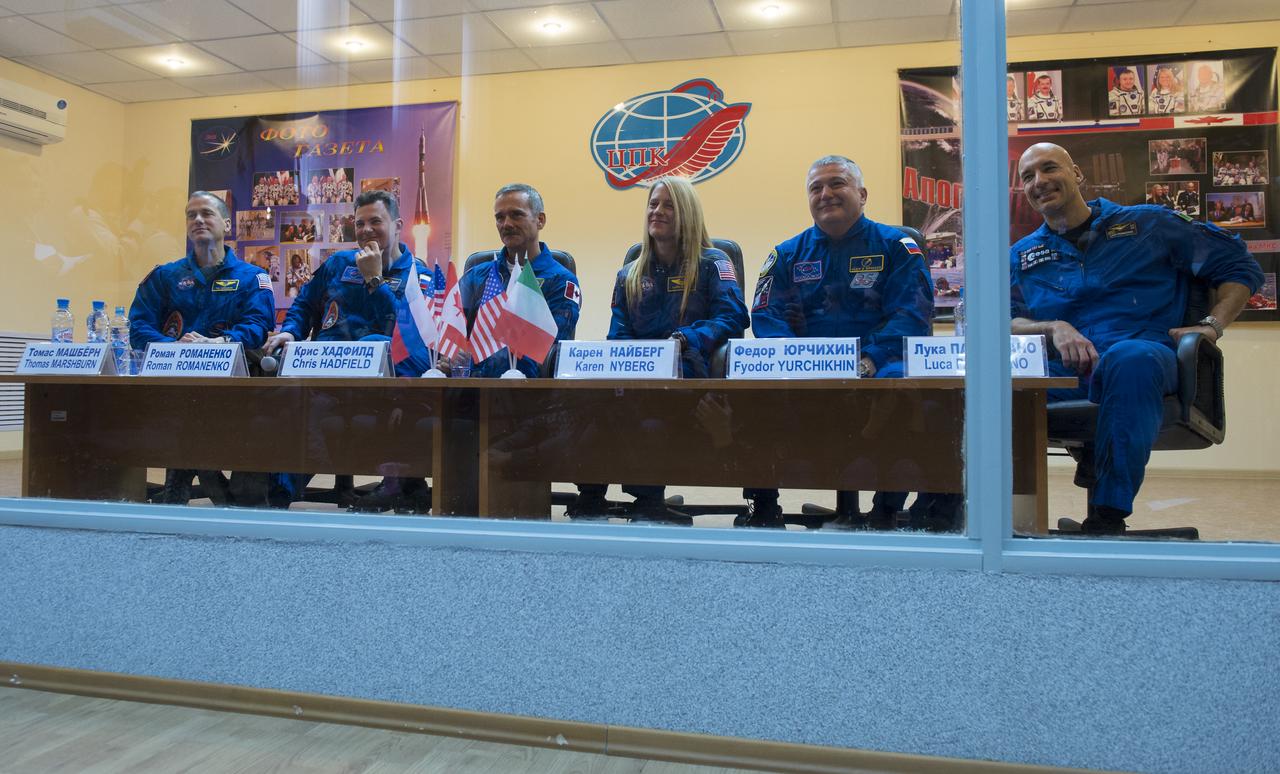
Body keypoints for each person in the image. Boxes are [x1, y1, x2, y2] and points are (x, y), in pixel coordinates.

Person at [1010, 143, 1262, 534]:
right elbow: (997, 320)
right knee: (988, 386)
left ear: (1077, 174)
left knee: (1130, 359)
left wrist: (1211, 325)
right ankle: (993, 522)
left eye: (1049, 169)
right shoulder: (1021, 255)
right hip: (1064, 375)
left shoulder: (1151, 224)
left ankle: (1106, 517)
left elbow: (1239, 266)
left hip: (1144, 360)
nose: (1039, 182)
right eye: (1028, 177)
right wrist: (1053, 327)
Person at [742, 155, 934, 529]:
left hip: (878, 362)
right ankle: (763, 507)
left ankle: (886, 509)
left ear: (862, 194)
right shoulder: (786, 254)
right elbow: (767, 316)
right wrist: (796, 359)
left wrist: (871, 358)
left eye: (837, 184)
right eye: (816, 188)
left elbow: (911, 314)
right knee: (753, 389)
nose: (826, 194)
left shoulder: (898, 247)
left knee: (901, 387)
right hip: (807, 367)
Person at [569, 176, 749, 521]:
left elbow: (734, 316)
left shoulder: (713, 263)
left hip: (691, 379)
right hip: (638, 380)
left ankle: (648, 504)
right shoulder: (630, 274)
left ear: (688, 213)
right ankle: (591, 498)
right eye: (653, 204)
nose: (658, 211)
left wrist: (686, 338)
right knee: (590, 406)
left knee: (648, 420)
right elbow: (618, 334)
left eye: (669, 205)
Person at [264, 189, 434, 511]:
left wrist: (375, 280)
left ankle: (402, 485)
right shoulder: (339, 264)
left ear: (397, 225)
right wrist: (290, 331)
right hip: (322, 375)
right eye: (360, 224)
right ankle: (275, 496)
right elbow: (303, 304)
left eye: (376, 222)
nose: (367, 230)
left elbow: (409, 339)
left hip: (377, 390)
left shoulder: (418, 276)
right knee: (278, 398)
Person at [130, 191, 276, 505]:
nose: (198, 220)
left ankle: (213, 486)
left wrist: (219, 344)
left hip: (235, 385)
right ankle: (193, 480)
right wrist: (173, 346)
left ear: (226, 224)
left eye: (206, 214)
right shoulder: (165, 276)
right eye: (191, 215)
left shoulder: (253, 277)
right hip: (177, 381)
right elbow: (139, 327)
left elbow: (258, 326)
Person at [457, 183, 581, 378]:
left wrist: (472, 363)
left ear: (540, 220)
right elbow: (449, 334)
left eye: (516, 214)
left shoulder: (561, 281)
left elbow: (541, 351)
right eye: (500, 217)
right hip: (470, 395)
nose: (506, 224)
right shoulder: (476, 276)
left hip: (527, 396)